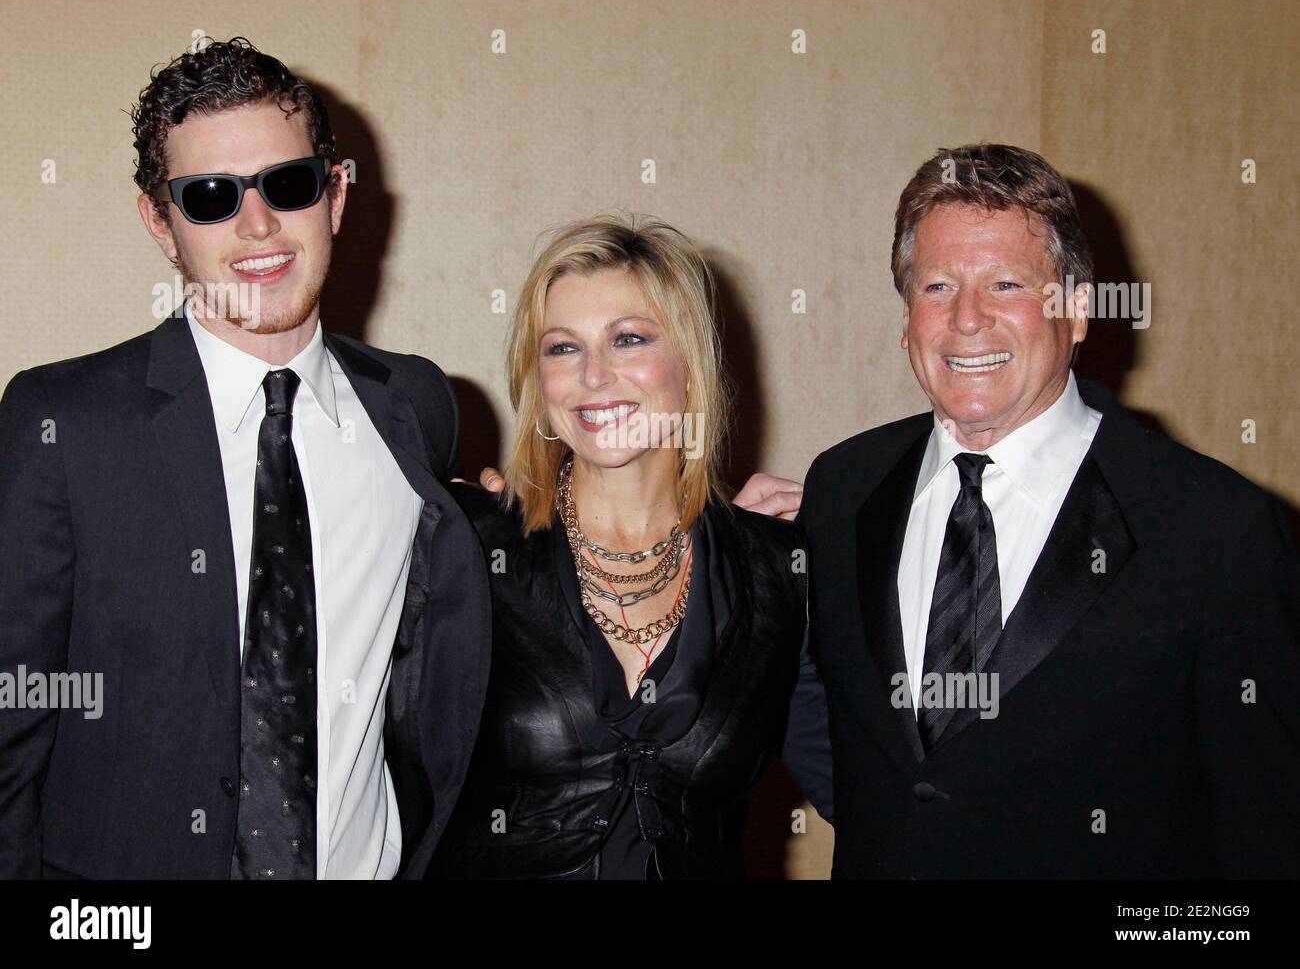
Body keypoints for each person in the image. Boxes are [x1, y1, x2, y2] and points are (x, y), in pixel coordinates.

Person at [0, 38, 491, 878]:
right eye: (211, 197)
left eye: (287, 184)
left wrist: (721, 521)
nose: (257, 224)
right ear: (160, 222)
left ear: (335, 194)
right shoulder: (63, 424)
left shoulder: (415, 408)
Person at [799, 143, 1300, 878]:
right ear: (906, 318)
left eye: (1006, 284)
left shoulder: (1217, 528)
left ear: (1078, 309)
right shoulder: (842, 490)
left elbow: (1271, 833)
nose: (967, 319)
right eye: (937, 286)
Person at [431, 215, 832, 879]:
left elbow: (873, 781)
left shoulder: (776, 572)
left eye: (629, 339)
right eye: (562, 348)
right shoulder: (468, 548)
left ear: (689, 365)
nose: (594, 374)